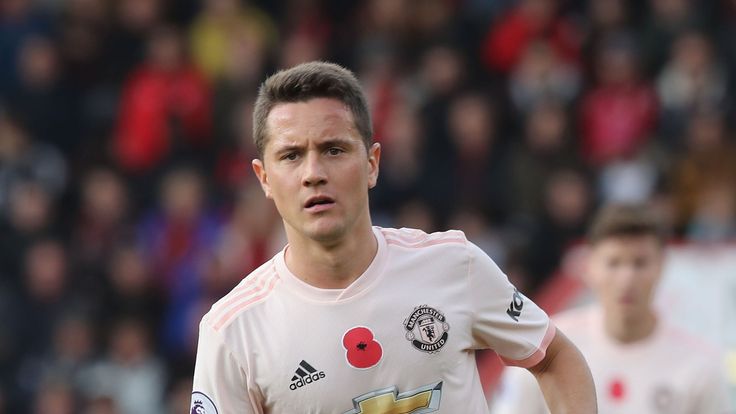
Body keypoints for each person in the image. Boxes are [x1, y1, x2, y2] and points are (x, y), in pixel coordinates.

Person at [191, 61, 596, 413]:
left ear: (371, 164)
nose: (313, 173)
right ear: (264, 178)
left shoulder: (454, 265)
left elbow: (554, 358)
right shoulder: (231, 332)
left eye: (333, 149)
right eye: (291, 155)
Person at [491, 203, 732, 414]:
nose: (627, 278)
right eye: (614, 263)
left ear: (661, 265)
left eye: (640, 263)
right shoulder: (545, 348)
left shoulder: (700, 364)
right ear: (590, 267)